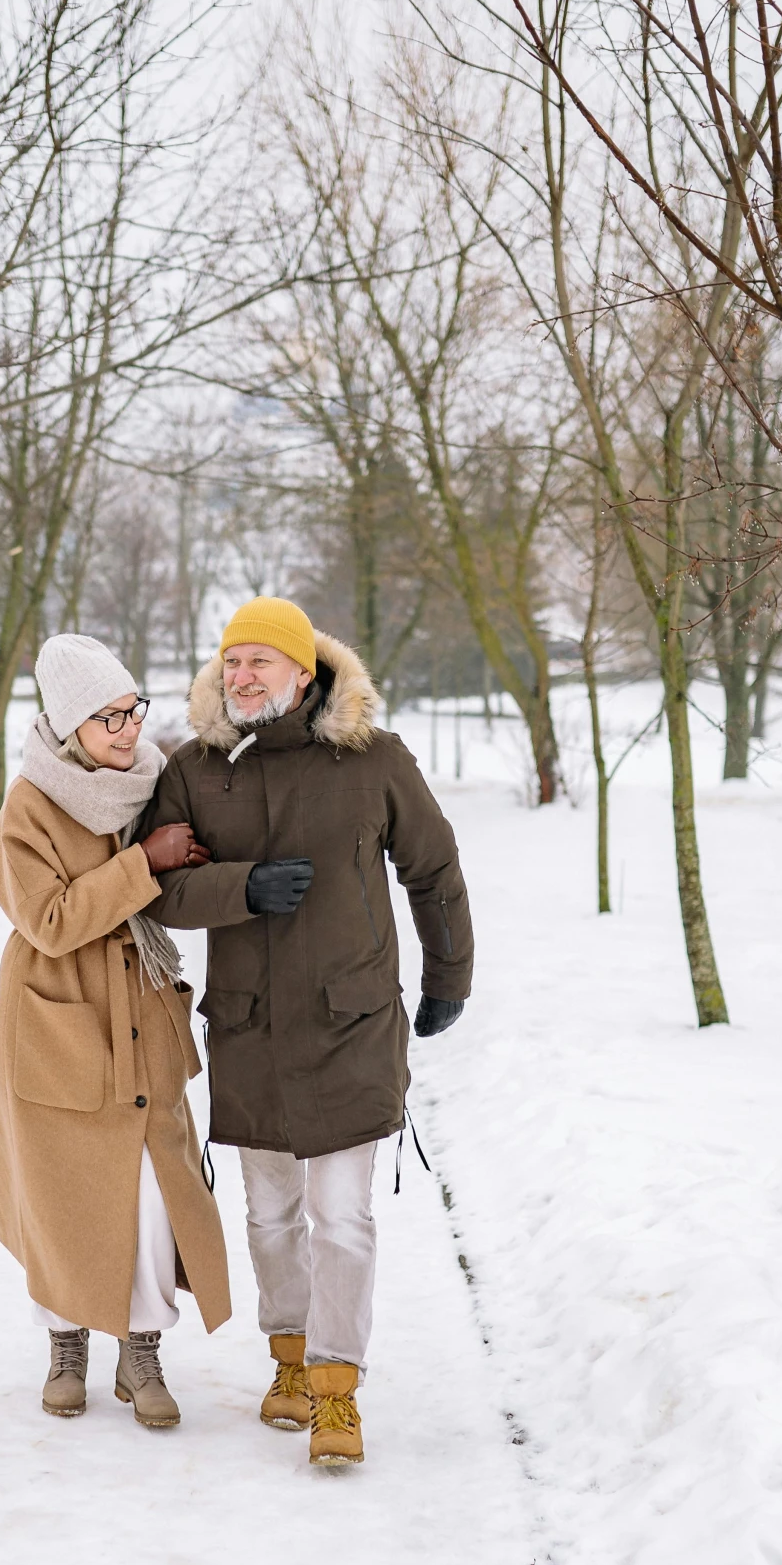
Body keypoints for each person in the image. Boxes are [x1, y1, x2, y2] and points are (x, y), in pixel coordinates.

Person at [145, 597, 473, 1467]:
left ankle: (336, 1389)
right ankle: (285, 1360)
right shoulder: (195, 770)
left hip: (349, 1022)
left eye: (261, 661)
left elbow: (433, 871)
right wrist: (239, 890)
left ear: (304, 671)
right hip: (249, 1030)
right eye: (231, 662)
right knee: (268, 1216)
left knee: (342, 1217)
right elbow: (156, 889)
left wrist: (448, 979)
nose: (242, 675)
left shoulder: (373, 760)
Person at [0, 633, 230, 1430]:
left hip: (139, 1008)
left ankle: (142, 1345)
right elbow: (50, 921)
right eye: (105, 718)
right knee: (60, 1190)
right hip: (57, 1015)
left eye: (131, 711)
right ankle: (66, 1342)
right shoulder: (28, 805)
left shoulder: (151, 784)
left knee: (156, 1191)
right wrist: (145, 864)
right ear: (64, 725)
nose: (126, 731)